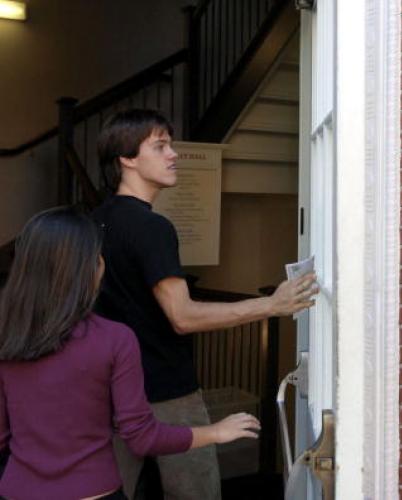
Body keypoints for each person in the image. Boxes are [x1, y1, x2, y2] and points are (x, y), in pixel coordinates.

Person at [92, 109, 317, 499]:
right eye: (160, 146)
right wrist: (271, 305)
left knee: (111, 491)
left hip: (110, 387)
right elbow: (183, 316)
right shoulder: (151, 227)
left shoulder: (94, 221)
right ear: (127, 159)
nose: (173, 153)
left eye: (170, 144)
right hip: (166, 389)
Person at [0, 206, 261, 500]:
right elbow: (141, 437)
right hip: (92, 492)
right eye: (97, 257)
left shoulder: (7, 338)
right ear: (88, 268)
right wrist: (215, 432)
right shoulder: (114, 339)